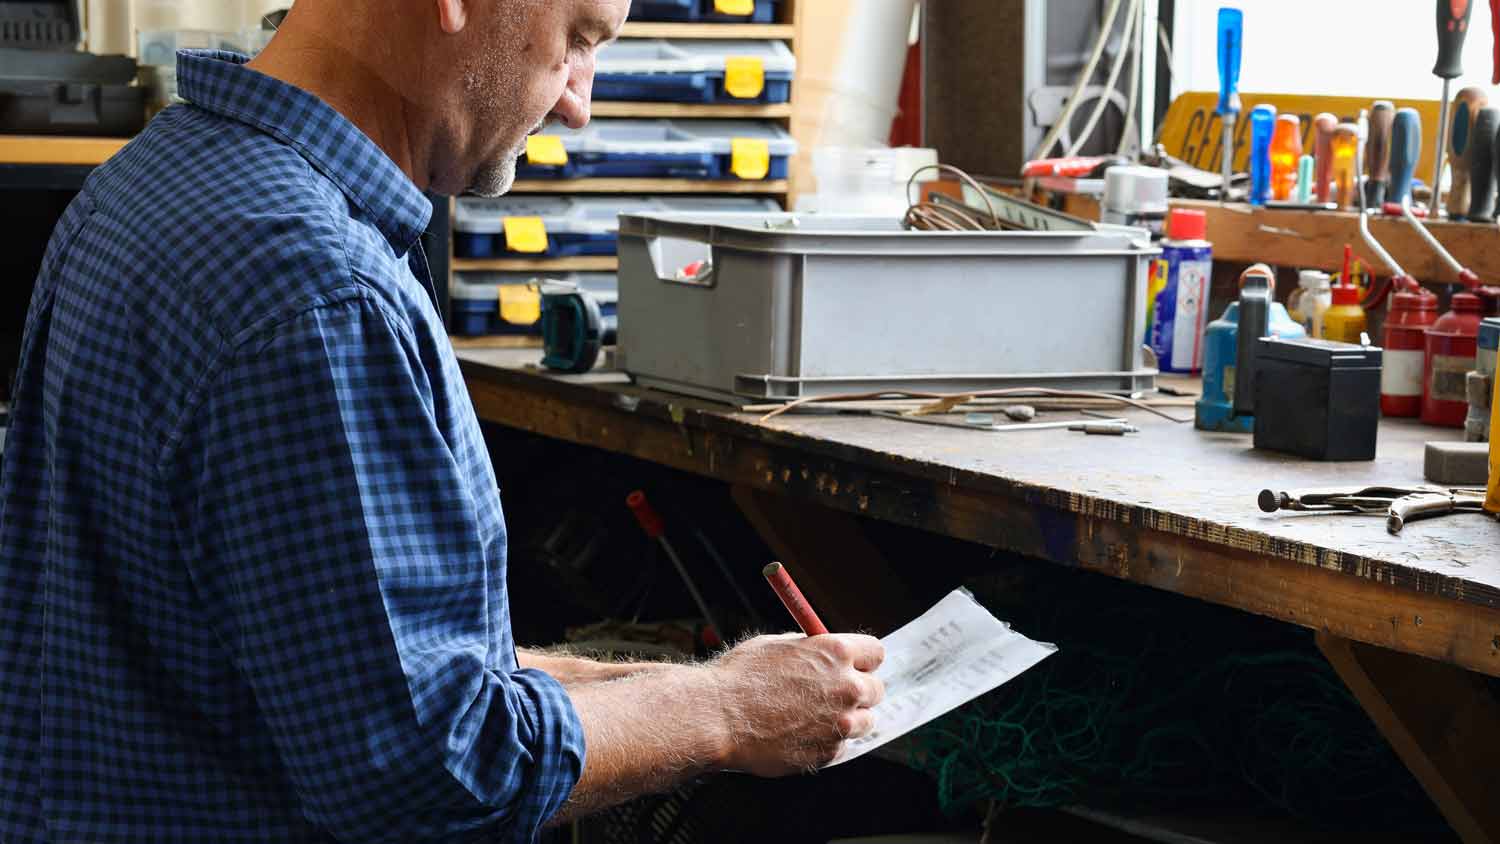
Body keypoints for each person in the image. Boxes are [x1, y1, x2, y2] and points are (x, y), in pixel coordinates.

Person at [0, 1, 885, 841]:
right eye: (577, 39)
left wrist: (723, 683)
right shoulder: (318, 294)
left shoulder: (148, 184)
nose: (581, 103)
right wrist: (723, 714)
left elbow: (374, 675)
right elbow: (433, 771)